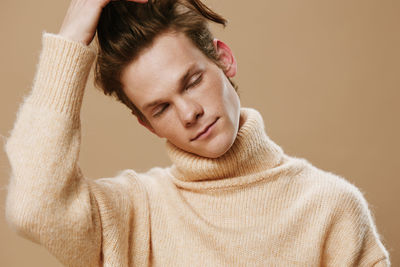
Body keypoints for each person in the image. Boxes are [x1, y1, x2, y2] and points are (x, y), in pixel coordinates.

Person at [3, 0, 391, 266]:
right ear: (145, 122)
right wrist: (71, 38)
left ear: (224, 59)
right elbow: (36, 205)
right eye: (161, 107)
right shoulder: (132, 216)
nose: (190, 113)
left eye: (191, 82)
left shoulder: (332, 208)